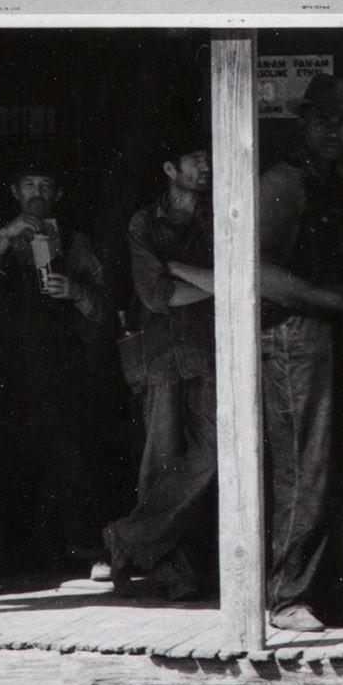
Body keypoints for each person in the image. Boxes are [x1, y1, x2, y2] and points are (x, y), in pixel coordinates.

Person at [0, 164, 112, 575]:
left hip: (59, 364)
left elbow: (101, 307)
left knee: (69, 452)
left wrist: (74, 291)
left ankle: (83, 549)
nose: (37, 192)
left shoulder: (74, 240)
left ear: (57, 193)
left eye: (45, 184)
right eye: (29, 184)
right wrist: (8, 234)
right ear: (14, 190)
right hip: (3, 365)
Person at [255, 76, 343, 630]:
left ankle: (334, 594)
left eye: (342, 122)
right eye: (323, 120)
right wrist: (333, 300)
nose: (333, 131)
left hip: (338, 335)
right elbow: (259, 272)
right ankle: (286, 596)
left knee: (342, 461)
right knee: (306, 465)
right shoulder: (282, 184)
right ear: (304, 122)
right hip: (294, 337)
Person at [105, 133, 217, 597]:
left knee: (215, 455)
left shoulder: (216, 214)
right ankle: (169, 572)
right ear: (171, 170)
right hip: (161, 355)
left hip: (209, 352)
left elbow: (237, 273)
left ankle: (127, 537)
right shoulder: (143, 223)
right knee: (161, 464)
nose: (206, 166)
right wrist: (217, 282)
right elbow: (158, 295)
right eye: (196, 158)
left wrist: (181, 270)